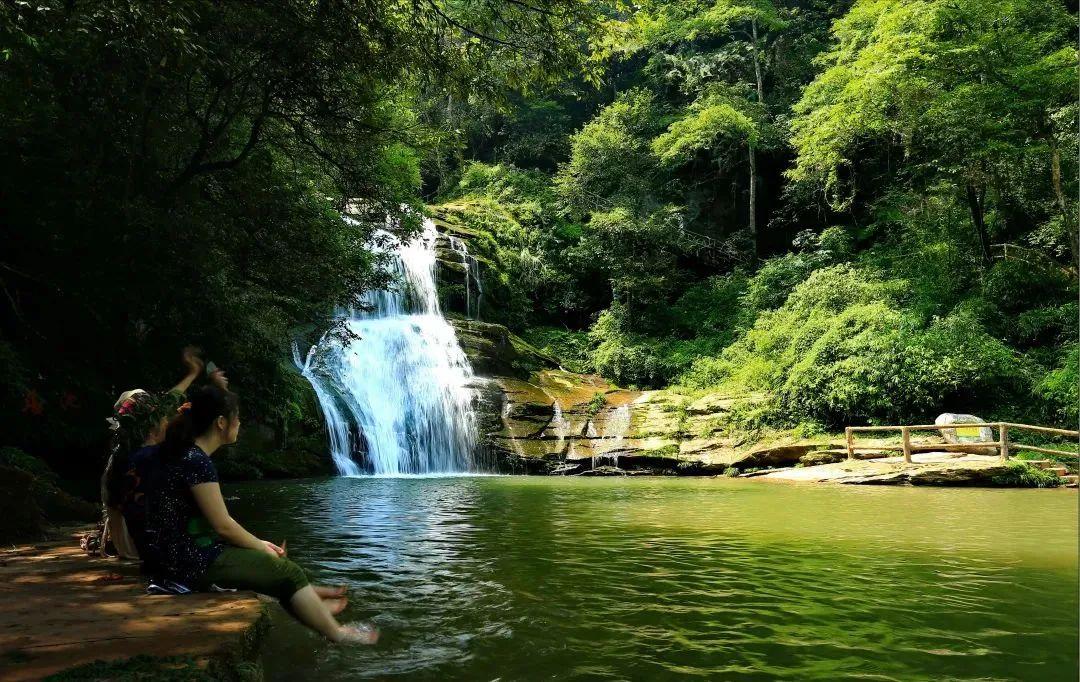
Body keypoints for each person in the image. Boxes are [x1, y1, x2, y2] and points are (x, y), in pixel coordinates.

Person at [145, 384, 378, 644]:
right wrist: (262, 548)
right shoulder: (197, 462)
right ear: (221, 422)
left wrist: (260, 546)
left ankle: (315, 611)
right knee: (289, 572)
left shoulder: (185, 456)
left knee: (274, 568)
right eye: (237, 416)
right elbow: (223, 526)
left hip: (173, 556)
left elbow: (213, 525)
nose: (240, 422)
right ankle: (337, 633)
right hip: (188, 562)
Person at [99, 346, 215, 559]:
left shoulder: (123, 454)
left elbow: (171, 400)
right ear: (151, 426)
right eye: (163, 416)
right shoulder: (151, 458)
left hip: (125, 544)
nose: (168, 419)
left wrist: (191, 374)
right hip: (144, 549)